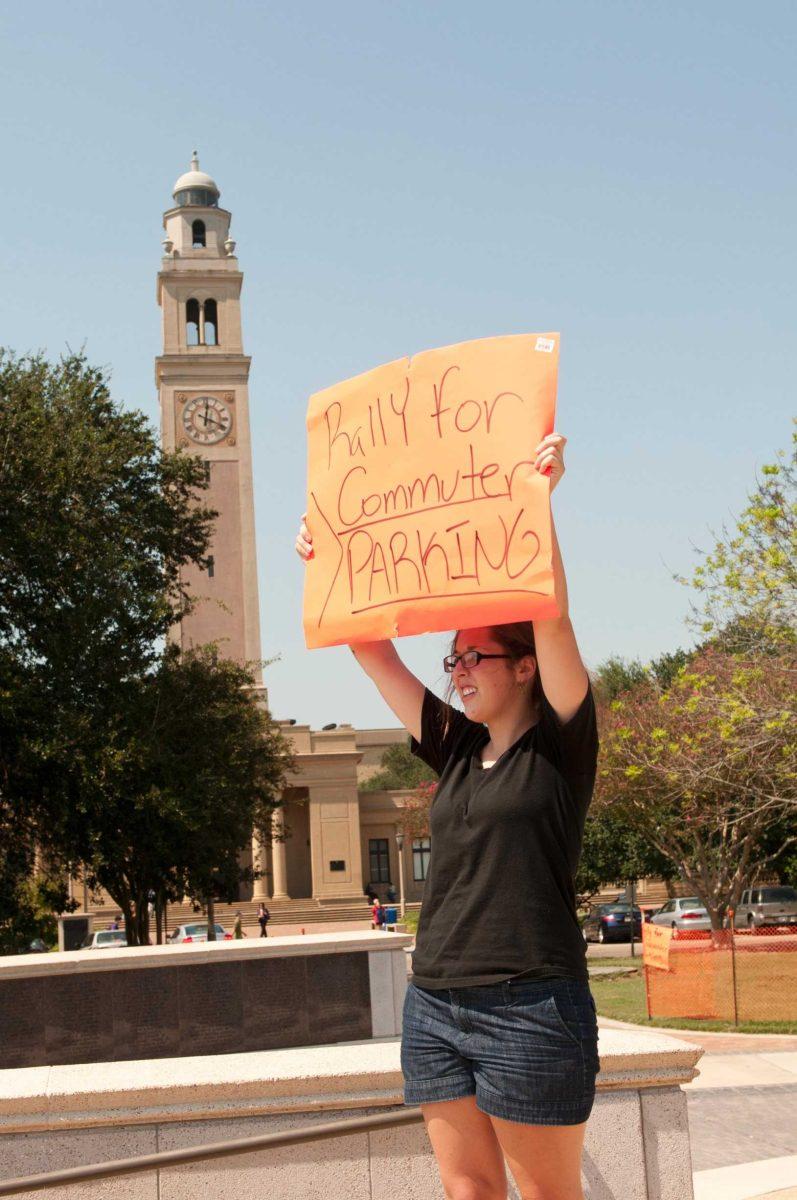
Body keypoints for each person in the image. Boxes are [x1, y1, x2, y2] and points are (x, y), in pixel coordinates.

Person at [296, 431, 600, 1200]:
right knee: (468, 1193)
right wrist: (326, 555)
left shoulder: (559, 748)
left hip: (530, 1005)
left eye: (475, 658)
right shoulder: (455, 746)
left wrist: (541, 504)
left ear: (523, 666)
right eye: (453, 660)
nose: (458, 671)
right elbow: (372, 653)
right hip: (434, 1002)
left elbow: (553, 618)